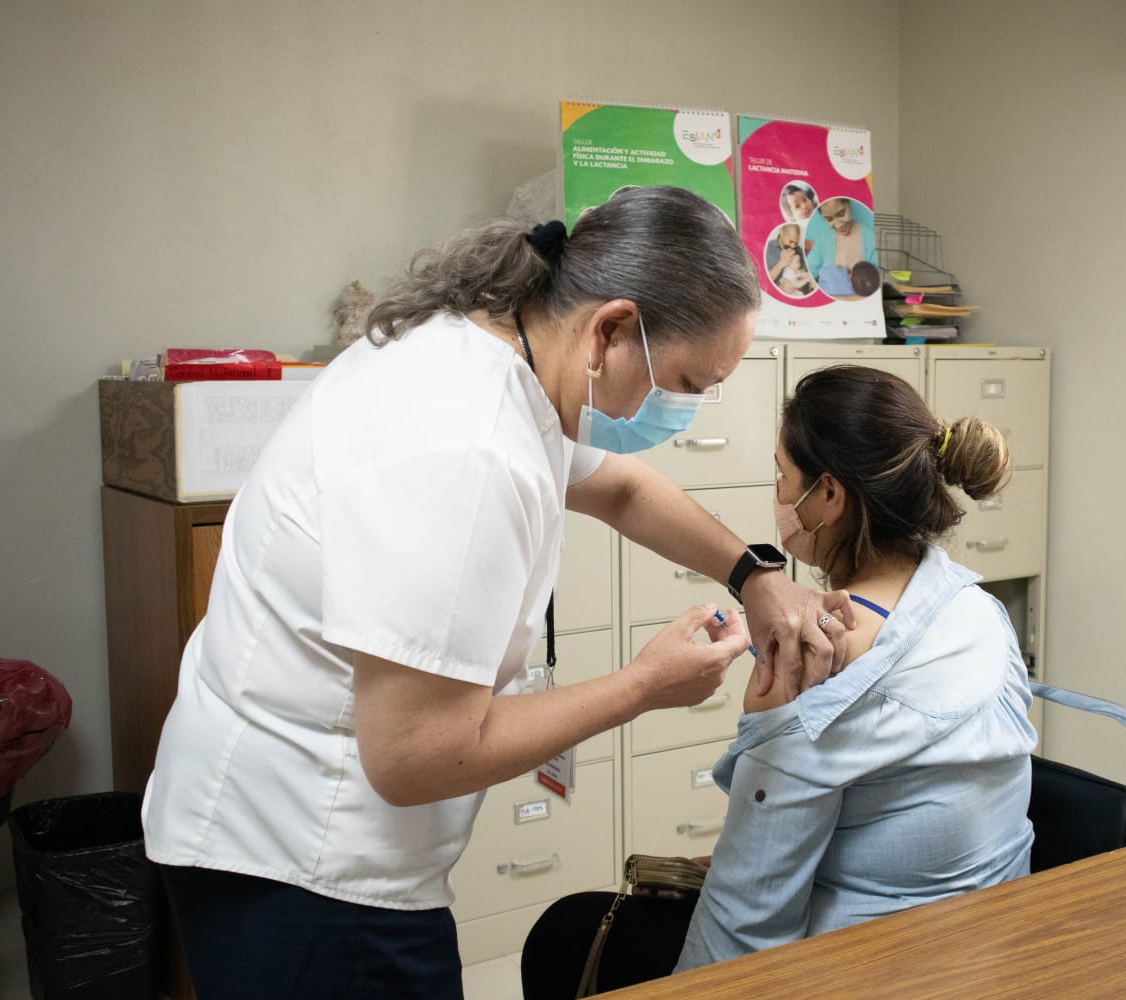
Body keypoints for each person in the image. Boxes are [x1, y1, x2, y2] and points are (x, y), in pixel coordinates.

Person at [141, 185, 854, 1000]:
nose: (685, 411)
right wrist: (643, 686)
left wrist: (752, 574)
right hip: (302, 858)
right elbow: (415, 756)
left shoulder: (492, 349)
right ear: (611, 330)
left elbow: (620, 488)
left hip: (282, 820)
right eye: (687, 380)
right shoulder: (461, 449)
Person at [521, 365, 1036, 996]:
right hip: (988, 945)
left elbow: (748, 919)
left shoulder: (815, 660)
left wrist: (743, 836)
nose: (775, 493)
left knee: (562, 934)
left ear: (828, 495)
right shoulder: (978, 609)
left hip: (871, 964)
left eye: (780, 475)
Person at [804, 196, 878, 297]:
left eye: (841, 214)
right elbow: (808, 273)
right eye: (829, 219)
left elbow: (875, 287)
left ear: (849, 205)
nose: (838, 225)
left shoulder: (871, 239)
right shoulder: (823, 239)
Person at [765, 223, 817, 296]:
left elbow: (803, 271)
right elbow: (763, 281)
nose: (793, 246)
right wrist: (781, 263)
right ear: (781, 232)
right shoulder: (767, 248)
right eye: (791, 241)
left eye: (796, 243)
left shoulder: (798, 250)